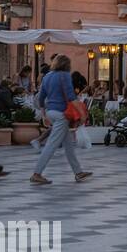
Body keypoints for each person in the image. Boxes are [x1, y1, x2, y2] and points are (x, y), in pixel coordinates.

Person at [29, 55, 92, 185]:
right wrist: (82, 113)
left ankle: (78, 172)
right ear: (67, 65)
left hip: (51, 112)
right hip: (61, 113)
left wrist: (44, 113)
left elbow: (41, 97)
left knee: (69, 145)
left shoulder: (47, 76)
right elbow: (71, 96)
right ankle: (37, 173)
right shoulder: (64, 76)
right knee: (51, 144)